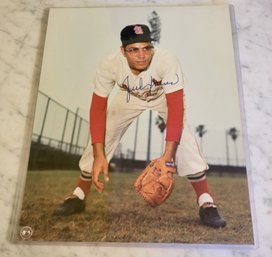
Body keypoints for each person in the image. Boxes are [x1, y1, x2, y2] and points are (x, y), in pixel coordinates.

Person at [54, 24, 226, 228]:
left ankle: (206, 202)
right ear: (122, 51)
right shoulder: (109, 65)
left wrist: (168, 159)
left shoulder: (166, 60)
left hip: (163, 96)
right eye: (133, 50)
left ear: (152, 47)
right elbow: (97, 109)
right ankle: (78, 196)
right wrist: (99, 154)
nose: (142, 55)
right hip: (129, 98)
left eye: (146, 48)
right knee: (102, 134)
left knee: (184, 138)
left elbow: (176, 109)